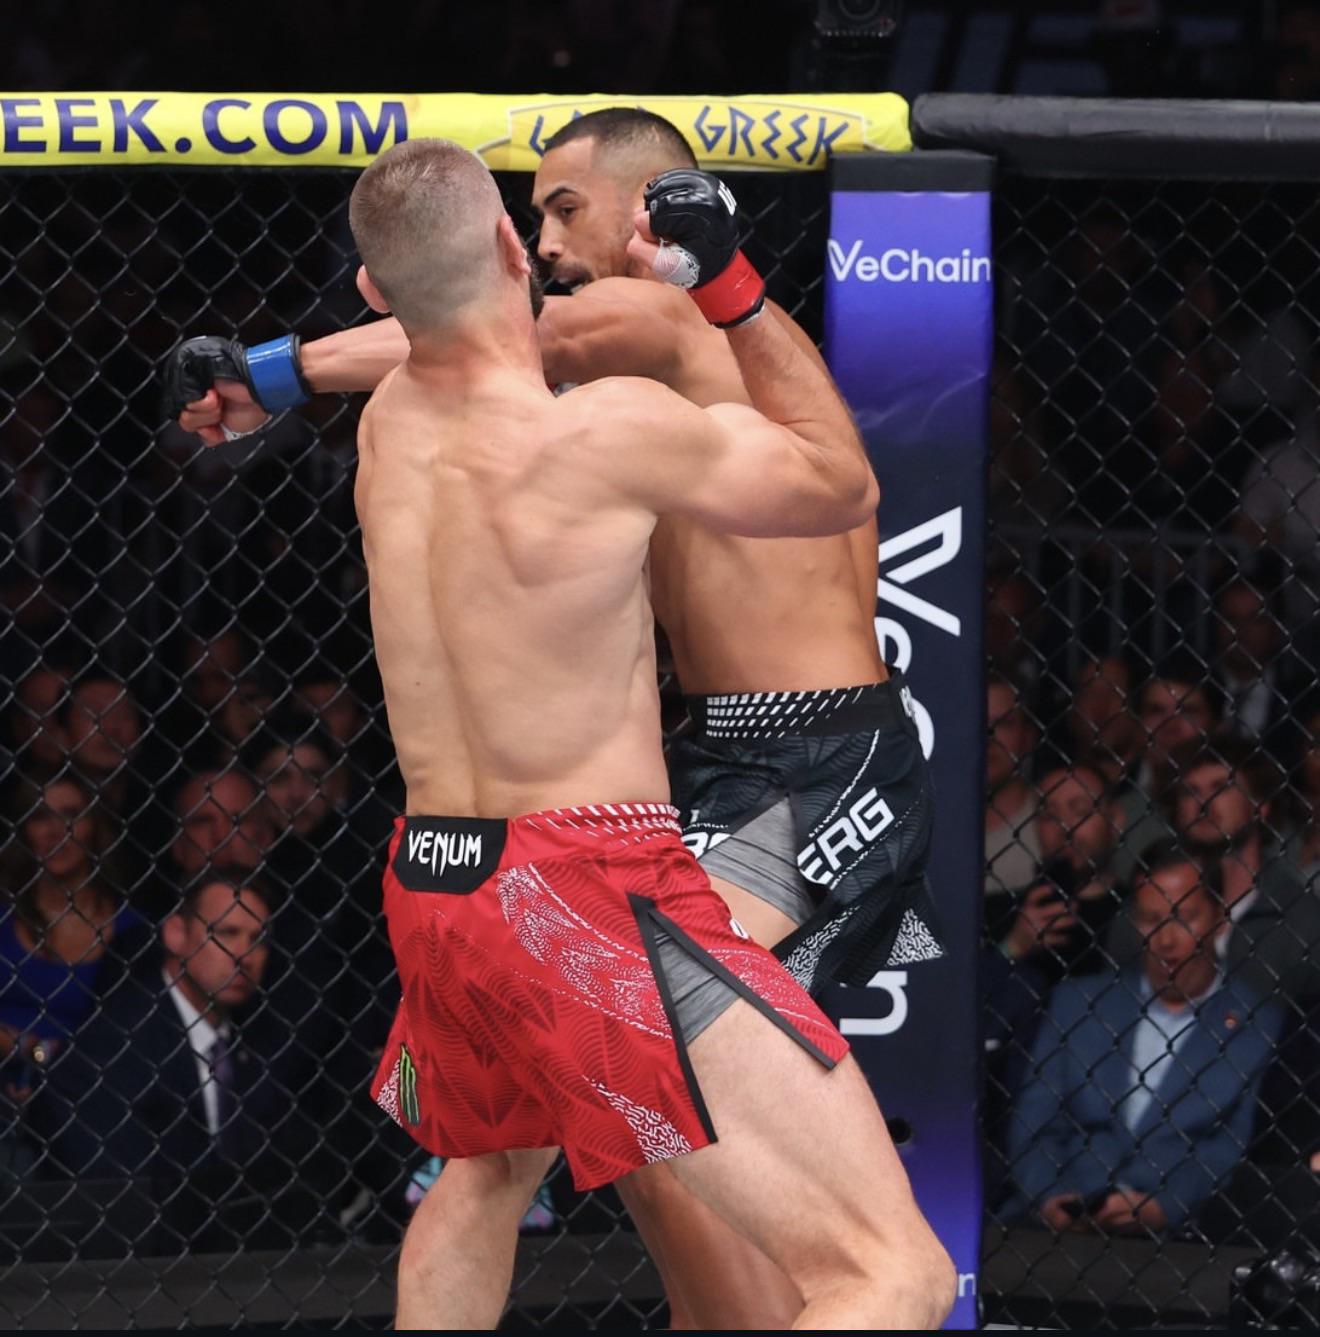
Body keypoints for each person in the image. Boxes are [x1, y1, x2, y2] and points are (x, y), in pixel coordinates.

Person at [162, 111, 951, 1329]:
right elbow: (463, 324)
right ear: (500, 248)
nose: (545, 240)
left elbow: (476, 326)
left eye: (565, 208)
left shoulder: (581, 354)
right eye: (528, 218)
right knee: (788, 1213)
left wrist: (272, 373)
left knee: (573, 1143)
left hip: (791, 765)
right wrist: (275, 374)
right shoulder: (586, 412)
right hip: (621, 824)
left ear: (654, 212)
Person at [35, 875, 337, 1251]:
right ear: (177, 934)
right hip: (137, 1262)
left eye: (258, 939)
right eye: (226, 933)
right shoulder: (110, 1049)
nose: (245, 955)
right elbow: (123, 1198)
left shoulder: (259, 1042)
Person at [1007, 846, 1283, 1236]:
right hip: (1059, 1220)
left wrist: (1165, 1208)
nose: (1166, 939)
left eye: (1184, 917)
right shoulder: (1078, 1004)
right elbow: (1033, 1123)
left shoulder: (1256, 1023)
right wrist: (1050, 1199)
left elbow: (1232, 1148)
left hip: (1180, 1236)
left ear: (1220, 918)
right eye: (1152, 919)